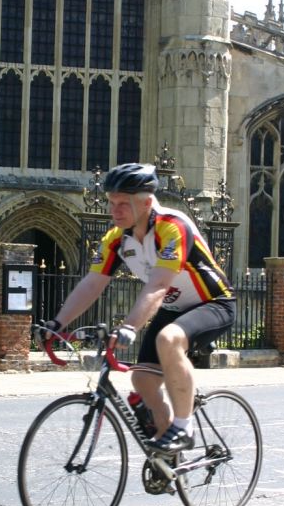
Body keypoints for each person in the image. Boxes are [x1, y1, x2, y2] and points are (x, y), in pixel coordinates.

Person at [42, 162, 236, 454]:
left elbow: (158, 285)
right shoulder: (117, 239)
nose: (114, 210)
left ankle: (184, 427)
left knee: (168, 339)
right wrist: (57, 324)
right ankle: (166, 455)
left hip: (213, 303)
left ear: (146, 202)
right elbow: (92, 284)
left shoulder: (173, 227)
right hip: (174, 310)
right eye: (111, 203)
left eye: (123, 204)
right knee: (142, 379)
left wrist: (130, 326)